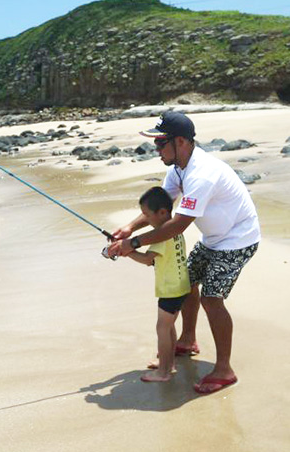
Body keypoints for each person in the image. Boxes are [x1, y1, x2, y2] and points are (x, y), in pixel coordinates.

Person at [106, 111, 260, 394]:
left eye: (161, 143)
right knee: (186, 282)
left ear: (182, 142)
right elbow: (161, 208)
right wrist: (129, 228)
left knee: (212, 300)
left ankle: (224, 369)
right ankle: (188, 339)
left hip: (238, 239)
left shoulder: (202, 174)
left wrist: (134, 244)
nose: (156, 149)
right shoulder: (178, 167)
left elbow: (176, 225)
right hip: (214, 237)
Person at [123, 186, 191, 382]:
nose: (145, 219)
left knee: (162, 328)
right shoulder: (175, 230)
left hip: (170, 290)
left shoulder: (161, 236)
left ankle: (163, 373)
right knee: (168, 327)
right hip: (181, 287)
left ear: (161, 213)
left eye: (146, 214)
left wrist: (125, 251)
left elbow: (147, 260)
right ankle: (168, 364)